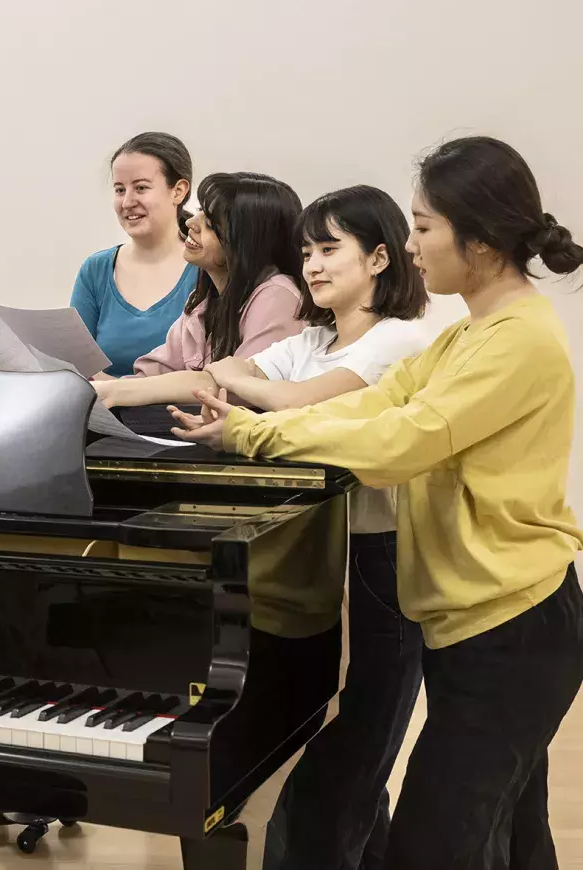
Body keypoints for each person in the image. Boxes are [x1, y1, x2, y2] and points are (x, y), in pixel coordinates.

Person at [169, 136, 583, 870]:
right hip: (473, 626)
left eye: (424, 227)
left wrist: (253, 437)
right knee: (509, 838)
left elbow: (402, 440)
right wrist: (252, 430)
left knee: (435, 843)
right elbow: (377, 406)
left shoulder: (519, 341)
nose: (413, 244)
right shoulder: (466, 334)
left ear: (479, 237)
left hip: (513, 628)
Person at [171, 184, 429, 869]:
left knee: (352, 757)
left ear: (379, 258)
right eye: (307, 250)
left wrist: (241, 397)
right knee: (348, 770)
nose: (312, 265)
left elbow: (298, 405)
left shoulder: (401, 340)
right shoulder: (312, 338)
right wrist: (103, 392)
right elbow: (215, 376)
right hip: (304, 561)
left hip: (375, 560)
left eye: (329, 250)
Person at [92, 172, 307, 408]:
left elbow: (242, 388)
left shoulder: (278, 297)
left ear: (245, 243)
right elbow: (155, 371)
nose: (190, 223)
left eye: (211, 225)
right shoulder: (203, 301)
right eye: (199, 213)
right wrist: (107, 386)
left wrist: (121, 390)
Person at [71, 132, 198, 376]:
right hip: (100, 411)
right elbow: (77, 364)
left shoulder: (207, 269)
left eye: (140, 188)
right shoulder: (96, 269)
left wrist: (118, 388)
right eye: (120, 190)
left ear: (178, 191)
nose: (127, 201)